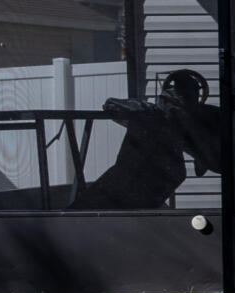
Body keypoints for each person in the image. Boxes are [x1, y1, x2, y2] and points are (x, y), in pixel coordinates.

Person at [83, 70, 225, 210]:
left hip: (141, 187)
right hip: (126, 184)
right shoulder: (154, 113)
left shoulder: (183, 122)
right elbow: (111, 105)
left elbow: (211, 160)